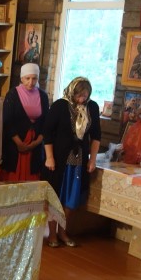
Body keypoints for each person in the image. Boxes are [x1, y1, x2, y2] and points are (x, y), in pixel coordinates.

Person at [42, 77, 101, 248]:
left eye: (84, 96)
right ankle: (52, 233)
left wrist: (92, 159)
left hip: (79, 159)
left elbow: (96, 136)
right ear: (72, 92)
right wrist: (49, 157)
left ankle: (63, 231)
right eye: (78, 96)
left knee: (72, 198)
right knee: (55, 196)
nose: (81, 100)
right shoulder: (60, 105)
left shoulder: (92, 107)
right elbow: (47, 133)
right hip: (59, 159)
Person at [0, 62, 49, 182]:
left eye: (34, 78)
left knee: (32, 176)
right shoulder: (12, 94)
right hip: (15, 144)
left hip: (35, 145)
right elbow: (7, 121)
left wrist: (36, 142)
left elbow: (46, 121)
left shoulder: (43, 96)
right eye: (27, 78)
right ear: (21, 78)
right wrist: (19, 143)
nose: (31, 82)